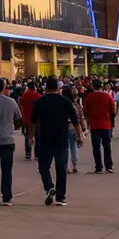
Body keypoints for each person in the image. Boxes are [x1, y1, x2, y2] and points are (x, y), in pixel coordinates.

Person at [31, 77, 80, 207]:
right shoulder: (65, 102)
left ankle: (49, 187)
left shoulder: (39, 102)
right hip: (61, 139)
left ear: (46, 88)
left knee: (43, 166)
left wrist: (31, 137)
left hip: (46, 139)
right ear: (58, 88)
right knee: (61, 168)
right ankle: (60, 197)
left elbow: (33, 122)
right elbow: (75, 120)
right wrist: (79, 135)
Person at [83, 79, 116, 173]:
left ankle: (98, 167)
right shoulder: (107, 96)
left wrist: (88, 121)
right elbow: (112, 110)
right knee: (107, 146)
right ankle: (108, 165)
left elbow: (85, 111)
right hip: (106, 124)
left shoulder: (88, 97)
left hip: (94, 125)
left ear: (92, 86)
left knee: (96, 147)